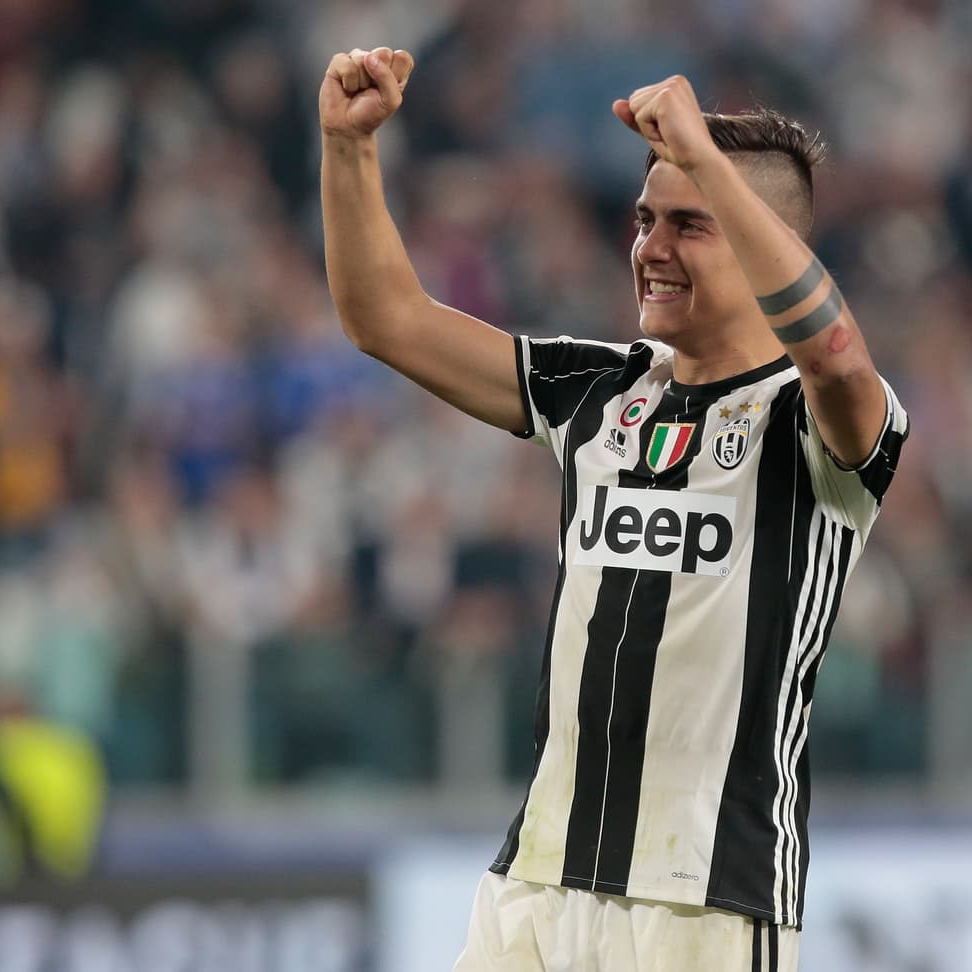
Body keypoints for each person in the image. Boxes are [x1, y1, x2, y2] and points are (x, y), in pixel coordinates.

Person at [319, 47, 908, 971]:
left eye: (689, 225)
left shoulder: (812, 424)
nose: (649, 249)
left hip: (705, 903)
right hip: (535, 885)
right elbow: (383, 318)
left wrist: (708, 157)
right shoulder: (595, 389)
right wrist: (347, 151)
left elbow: (834, 353)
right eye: (643, 221)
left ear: (759, 242)